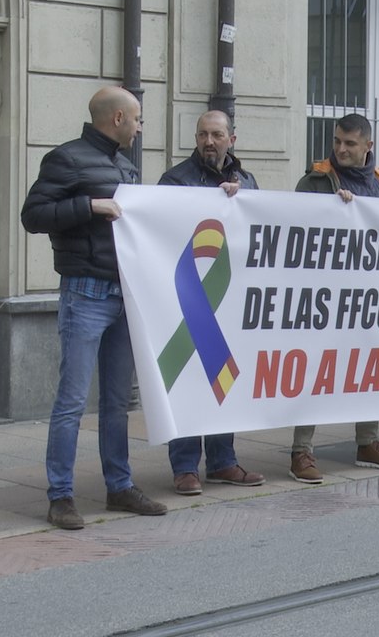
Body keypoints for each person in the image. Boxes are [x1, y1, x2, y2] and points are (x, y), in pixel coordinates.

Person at [21, 86, 166, 529]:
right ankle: (60, 496)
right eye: (138, 120)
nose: (141, 128)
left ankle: (119, 486)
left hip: (123, 296)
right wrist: (89, 205)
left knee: (117, 402)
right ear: (118, 118)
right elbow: (33, 215)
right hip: (84, 293)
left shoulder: (125, 165)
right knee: (71, 401)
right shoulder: (66, 158)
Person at [287, 113, 379, 484]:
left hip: (370, 293)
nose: (340, 149)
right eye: (337, 141)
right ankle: (301, 451)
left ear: (368, 146)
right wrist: (332, 212)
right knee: (316, 368)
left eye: (350, 143)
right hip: (325, 295)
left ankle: (367, 442)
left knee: (371, 365)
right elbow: (295, 230)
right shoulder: (316, 182)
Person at [159, 110, 266, 496]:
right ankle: (185, 467)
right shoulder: (176, 180)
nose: (209, 141)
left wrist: (241, 200)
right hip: (189, 296)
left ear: (231, 139)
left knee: (224, 379)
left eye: (217, 134)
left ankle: (223, 461)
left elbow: (258, 228)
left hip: (231, 296)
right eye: (203, 134)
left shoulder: (247, 180)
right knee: (188, 380)